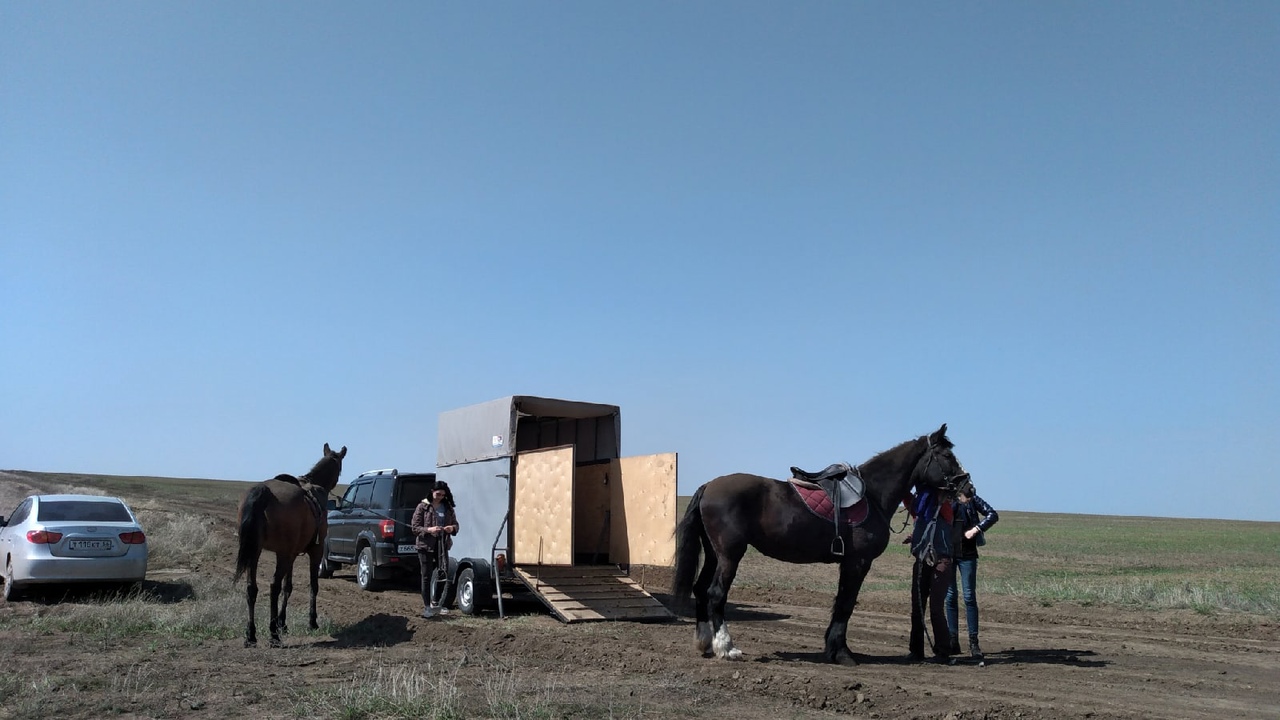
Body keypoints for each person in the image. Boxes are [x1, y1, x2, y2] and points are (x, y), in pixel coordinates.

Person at [945, 482, 998, 664]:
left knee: (969, 597)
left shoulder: (973, 500)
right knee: (950, 597)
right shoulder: (947, 500)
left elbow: (992, 514)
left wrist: (977, 529)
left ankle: (973, 642)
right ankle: (953, 641)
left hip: (967, 555)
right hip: (949, 554)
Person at [905, 485, 957, 663]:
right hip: (921, 561)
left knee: (935, 609)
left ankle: (943, 652)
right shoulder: (920, 509)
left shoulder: (945, 507)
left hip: (941, 562)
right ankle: (916, 650)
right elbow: (909, 501)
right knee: (917, 608)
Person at [411, 480, 459, 618]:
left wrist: (452, 528)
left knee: (442, 573)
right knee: (426, 576)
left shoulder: (448, 507)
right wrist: (429, 530)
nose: (440, 497)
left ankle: (435, 603)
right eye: (438, 494)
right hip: (425, 546)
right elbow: (415, 527)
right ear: (432, 492)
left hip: (442, 545)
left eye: (443, 495)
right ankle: (427, 607)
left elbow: (456, 524)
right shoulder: (422, 507)